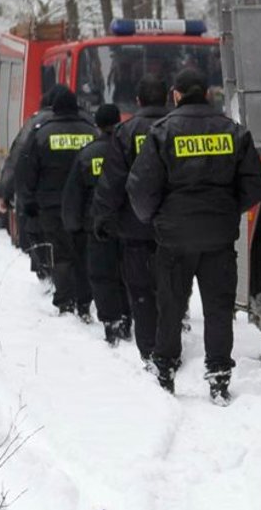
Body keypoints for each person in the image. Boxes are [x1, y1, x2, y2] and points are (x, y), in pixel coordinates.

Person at [127, 68, 261, 404]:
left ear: (175, 94)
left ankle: (164, 369)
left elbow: (141, 187)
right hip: (219, 238)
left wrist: (156, 220)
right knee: (218, 309)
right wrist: (227, 208)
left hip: (173, 239)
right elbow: (256, 184)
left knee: (171, 307)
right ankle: (218, 375)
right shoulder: (232, 131)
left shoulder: (162, 133)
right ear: (207, 94)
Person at [92, 75, 171, 365]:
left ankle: (150, 350)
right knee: (171, 289)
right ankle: (169, 345)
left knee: (140, 291)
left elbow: (112, 182)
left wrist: (103, 218)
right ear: (166, 97)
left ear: (138, 101)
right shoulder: (176, 128)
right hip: (173, 226)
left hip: (135, 227)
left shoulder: (126, 132)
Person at [17, 84, 97, 320]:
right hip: (86, 205)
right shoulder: (91, 131)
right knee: (83, 253)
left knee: (61, 254)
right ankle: (84, 302)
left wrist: (28, 201)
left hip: (51, 206)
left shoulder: (41, 133)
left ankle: (65, 301)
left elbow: (26, 170)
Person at [62, 104, 132, 346]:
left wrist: (73, 227)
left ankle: (111, 321)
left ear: (97, 125)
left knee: (102, 276)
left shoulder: (87, 154)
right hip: (129, 224)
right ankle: (127, 317)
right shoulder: (131, 150)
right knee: (128, 274)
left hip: (97, 228)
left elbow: (74, 196)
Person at [0, 88, 56, 280]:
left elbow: (16, 160)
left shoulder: (34, 124)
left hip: (38, 200)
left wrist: (4, 194)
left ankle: (46, 278)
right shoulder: (84, 123)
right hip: (75, 201)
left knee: (40, 239)